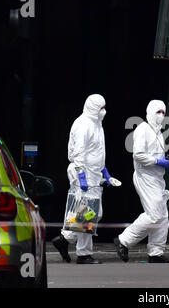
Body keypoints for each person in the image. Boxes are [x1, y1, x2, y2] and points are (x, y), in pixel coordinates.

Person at [52, 94, 121, 264]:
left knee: (89, 213)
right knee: (91, 213)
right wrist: (82, 176)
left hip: (94, 174)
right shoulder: (83, 124)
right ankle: (81, 252)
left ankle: (67, 240)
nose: (103, 111)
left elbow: (97, 153)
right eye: (101, 108)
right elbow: (78, 153)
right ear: (93, 108)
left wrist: (106, 174)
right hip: (84, 174)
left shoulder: (97, 124)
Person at [114, 99, 169, 263]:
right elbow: (138, 155)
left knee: (162, 216)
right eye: (158, 112)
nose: (161, 115)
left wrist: (165, 160)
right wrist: (158, 161)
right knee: (154, 214)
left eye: (163, 112)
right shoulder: (143, 129)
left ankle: (156, 252)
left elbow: (153, 154)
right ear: (150, 112)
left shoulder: (158, 132)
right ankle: (124, 240)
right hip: (145, 177)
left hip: (157, 178)